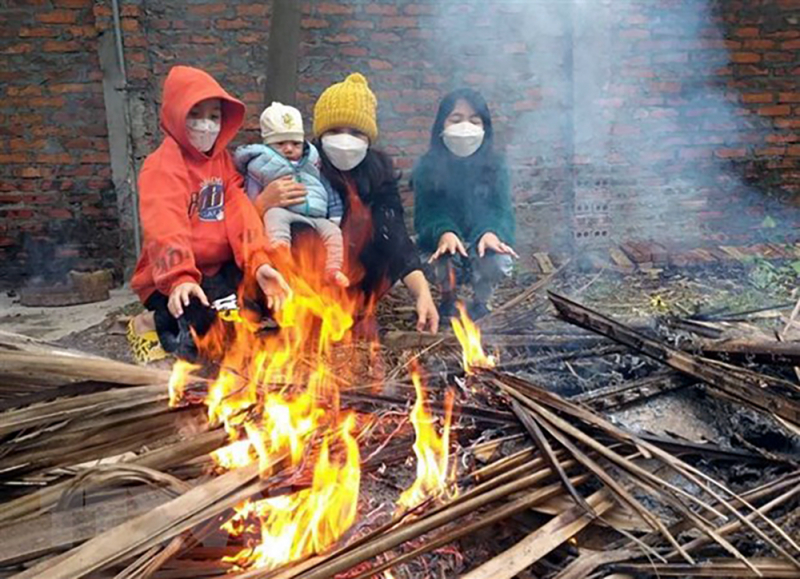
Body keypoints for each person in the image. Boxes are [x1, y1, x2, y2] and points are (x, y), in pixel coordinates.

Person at [126, 65, 291, 364]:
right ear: (177, 114)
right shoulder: (162, 166)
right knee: (204, 335)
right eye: (195, 115)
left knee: (266, 308)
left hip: (219, 271)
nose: (206, 125)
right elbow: (165, 225)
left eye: (214, 116)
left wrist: (259, 262)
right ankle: (147, 323)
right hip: (175, 277)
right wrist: (180, 278)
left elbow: (240, 211)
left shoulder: (221, 161)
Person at [253, 73, 439, 334]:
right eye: (335, 131)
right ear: (319, 134)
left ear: (368, 137)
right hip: (301, 281)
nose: (344, 139)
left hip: (358, 282)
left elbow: (396, 237)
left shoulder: (379, 174)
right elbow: (248, 225)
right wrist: (262, 204)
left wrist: (422, 293)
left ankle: (356, 312)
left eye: (355, 132)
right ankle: (304, 314)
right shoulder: (297, 167)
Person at [412, 88, 517, 321]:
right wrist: (444, 232)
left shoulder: (496, 166)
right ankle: (447, 300)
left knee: (497, 259)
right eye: (456, 119)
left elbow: (501, 211)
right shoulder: (427, 167)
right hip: (442, 244)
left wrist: (491, 232)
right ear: (442, 125)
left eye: (474, 120)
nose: (465, 126)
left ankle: (481, 302)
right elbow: (425, 214)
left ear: (484, 128)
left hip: (479, 244)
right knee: (442, 257)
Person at [233, 102, 348, 287]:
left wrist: (335, 215)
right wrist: (259, 205)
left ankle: (333, 270)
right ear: (268, 145)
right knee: (274, 217)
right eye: (280, 144)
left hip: (317, 216)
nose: (289, 149)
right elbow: (251, 194)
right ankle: (281, 253)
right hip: (284, 211)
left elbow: (326, 188)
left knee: (334, 233)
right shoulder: (260, 165)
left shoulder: (313, 162)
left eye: (295, 144)